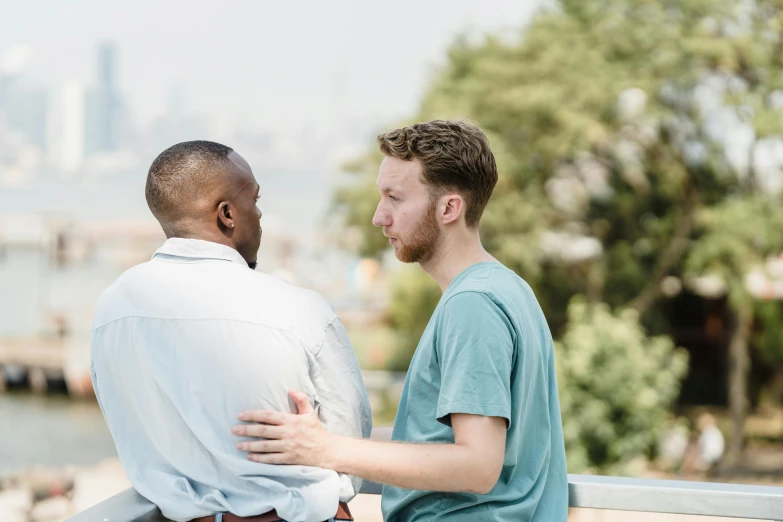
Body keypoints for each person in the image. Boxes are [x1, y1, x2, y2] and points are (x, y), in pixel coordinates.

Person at [232, 121, 569, 521]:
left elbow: (478, 466)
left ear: (449, 208)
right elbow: (436, 441)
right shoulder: (507, 289)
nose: (379, 217)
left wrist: (325, 450)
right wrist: (323, 437)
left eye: (394, 198)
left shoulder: (473, 305)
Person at [90, 141, 371, 522]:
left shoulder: (112, 309)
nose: (259, 215)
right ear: (226, 214)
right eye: (254, 201)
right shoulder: (300, 310)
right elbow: (350, 447)